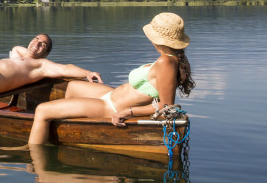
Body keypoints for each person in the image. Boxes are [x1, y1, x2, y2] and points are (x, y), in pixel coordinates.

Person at [22, 12, 195, 145]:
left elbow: (166, 106)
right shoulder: (170, 58)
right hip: (112, 95)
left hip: (111, 106)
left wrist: (129, 112)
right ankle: (70, 129)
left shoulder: (166, 61)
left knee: (42, 111)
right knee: (73, 86)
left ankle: (34, 158)